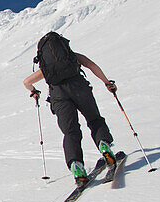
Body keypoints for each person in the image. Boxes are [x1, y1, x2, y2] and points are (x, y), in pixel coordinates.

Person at [23, 33, 118, 185]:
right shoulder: (72, 57)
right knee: (94, 119)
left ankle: (76, 165)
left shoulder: (46, 67)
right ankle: (104, 145)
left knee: (70, 131)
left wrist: (34, 91)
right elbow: (92, 65)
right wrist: (107, 83)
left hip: (58, 95)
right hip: (79, 87)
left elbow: (26, 82)